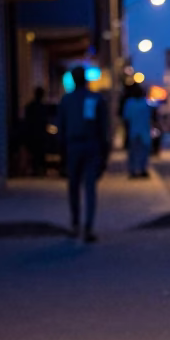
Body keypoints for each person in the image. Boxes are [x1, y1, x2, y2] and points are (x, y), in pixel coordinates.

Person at [57, 66, 110, 242]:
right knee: (89, 188)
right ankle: (88, 226)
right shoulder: (95, 98)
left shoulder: (66, 100)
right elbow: (103, 128)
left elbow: (61, 128)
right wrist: (105, 153)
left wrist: (61, 153)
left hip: (73, 147)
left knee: (73, 187)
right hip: (92, 146)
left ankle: (75, 224)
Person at [123, 84, 152, 179]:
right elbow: (150, 118)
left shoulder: (129, 103)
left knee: (133, 152)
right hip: (144, 132)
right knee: (143, 152)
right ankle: (142, 169)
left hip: (133, 131)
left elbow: (126, 118)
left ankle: (133, 170)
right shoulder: (145, 104)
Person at [23, 86, 49, 176]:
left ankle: (36, 169)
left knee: (35, 153)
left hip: (33, 134)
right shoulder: (42, 107)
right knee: (39, 153)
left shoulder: (30, 107)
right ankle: (39, 170)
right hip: (39, 134)